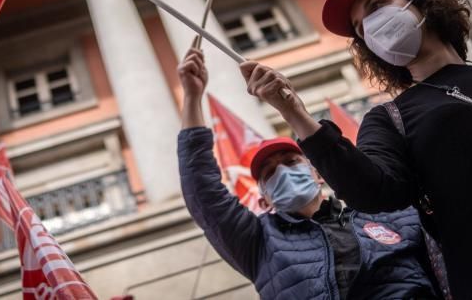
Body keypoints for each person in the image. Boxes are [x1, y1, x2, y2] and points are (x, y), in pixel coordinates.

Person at [239, 0, 472, 300]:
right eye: (359, 28)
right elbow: (371, 191)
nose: (370, 26)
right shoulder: (389, 119)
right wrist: (293, 112)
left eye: (377, 5)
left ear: (422, 3)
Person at [177, 47, 440, 300]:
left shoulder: (387, 210)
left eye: (291, 162)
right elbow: (203, 192)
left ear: (319, 175)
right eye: (269, 173)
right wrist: (191, 97)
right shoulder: (256, 243)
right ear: (263, 200)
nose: (282, 171)